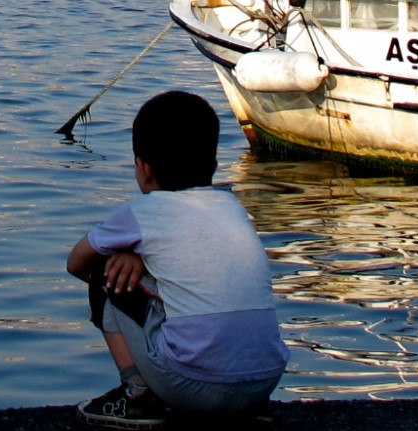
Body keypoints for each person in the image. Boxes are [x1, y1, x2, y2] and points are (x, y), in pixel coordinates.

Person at [65, 90, 286, 429]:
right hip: (262, 384)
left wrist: (129, 258)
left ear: (144, 168)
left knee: (106, 273)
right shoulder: (234, 207)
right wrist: (143, 259)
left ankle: (138, 397)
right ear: (213, 164)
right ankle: (245, 405)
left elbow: (77, 263)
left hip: (193, 389)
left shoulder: (143, 211)